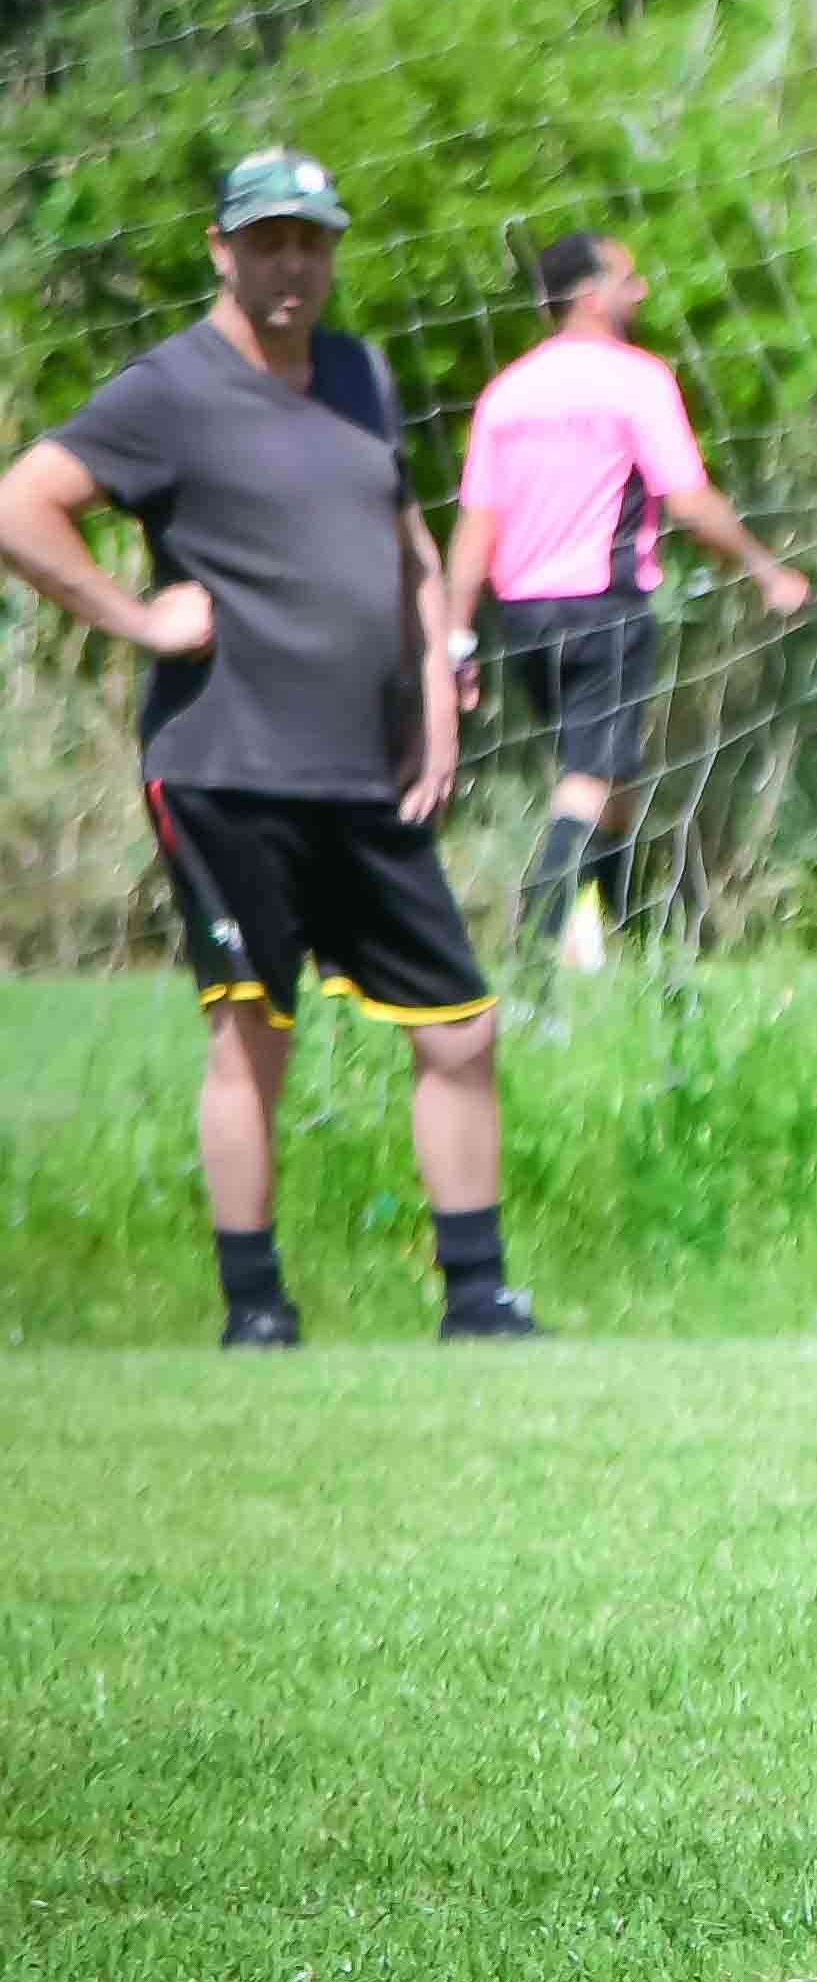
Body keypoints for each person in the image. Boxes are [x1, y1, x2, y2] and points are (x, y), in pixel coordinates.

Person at [0, 149, 536, 1346]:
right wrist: (138, 618)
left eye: (312, 240)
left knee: (461, 1024)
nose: (292, 263)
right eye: (268, 241)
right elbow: (19, 504)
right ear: (222, 250)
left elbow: (406, 541)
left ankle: (479, 1299)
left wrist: (436, 692)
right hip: (225, 765)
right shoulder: (168, 390)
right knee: (253, 1032)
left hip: (363, 768)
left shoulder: (357, 373)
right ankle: (255, 1309)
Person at [444, 231, 815, 968]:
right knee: (590, 780)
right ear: (589, 294)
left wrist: (457, 637)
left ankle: (609, 940)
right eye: (627, 277)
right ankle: (536, 952)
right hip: (603, 605)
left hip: (523, 615)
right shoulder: (636, 379)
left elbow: (475, 523)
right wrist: (767, 570)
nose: (640, 290)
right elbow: (688, 499)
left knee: (611, 775)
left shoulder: (507, 393)